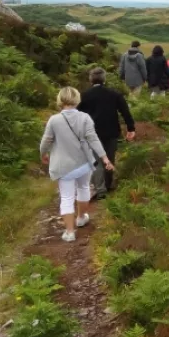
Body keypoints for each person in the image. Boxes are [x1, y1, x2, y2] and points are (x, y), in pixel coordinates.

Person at [40, 87, 114, 242]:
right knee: (83, 188)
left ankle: (69, 232)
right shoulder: (85, 117)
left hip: (63, 166)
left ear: (60, 100)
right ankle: (81, 218)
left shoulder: (54, 120)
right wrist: (104, 158)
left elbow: (46, 140)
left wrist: (43, 153)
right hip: (83, 163)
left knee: (67, 197)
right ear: (77, 99)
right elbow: (93, 139)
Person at [78, 67, 136, 199]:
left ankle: (100, 189)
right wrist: (131, 128)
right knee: (109, 158)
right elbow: (125, 112)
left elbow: (77, 114)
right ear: (104, 79)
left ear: (90, 80)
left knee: (96, 161)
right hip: (111, 131)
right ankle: (108, 185)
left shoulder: (84, 95)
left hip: (92, 132)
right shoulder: (114, 94)